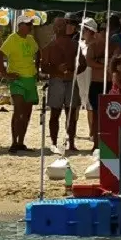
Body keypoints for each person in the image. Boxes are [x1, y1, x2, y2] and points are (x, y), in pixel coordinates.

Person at [39, 17, 81, 153]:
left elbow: (83, 64)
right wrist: (57, 69)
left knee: (71, 113)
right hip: (56, 80)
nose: (60, 29)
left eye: (62, 26)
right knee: (55, 114)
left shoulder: (74, 45)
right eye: (58, 26)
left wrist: (72, 69)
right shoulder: (49, 46)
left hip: (69, 80)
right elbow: (43, 67)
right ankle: (54, 142)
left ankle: (72, 142)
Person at [0, 18, 40, 153]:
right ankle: (14, 142)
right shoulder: (12, 38)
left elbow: (38, 52)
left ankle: (21, 142)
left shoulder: (30, 39)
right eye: (28, 24)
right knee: (18, 111)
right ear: (20, 25)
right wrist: (5, 74)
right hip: (17, 80)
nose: (30, 26)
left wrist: (37, 69)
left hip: (30, 79)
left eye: (31, 24)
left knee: (27, 113)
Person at [79, 18, 105, 147]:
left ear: (91, 31)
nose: (82, 32)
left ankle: (92, 132)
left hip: (93, 76)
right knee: (83, 102)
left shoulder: (97, 45)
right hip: (81, 77)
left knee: (91, 106)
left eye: (84, 30)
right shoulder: (80, 44)